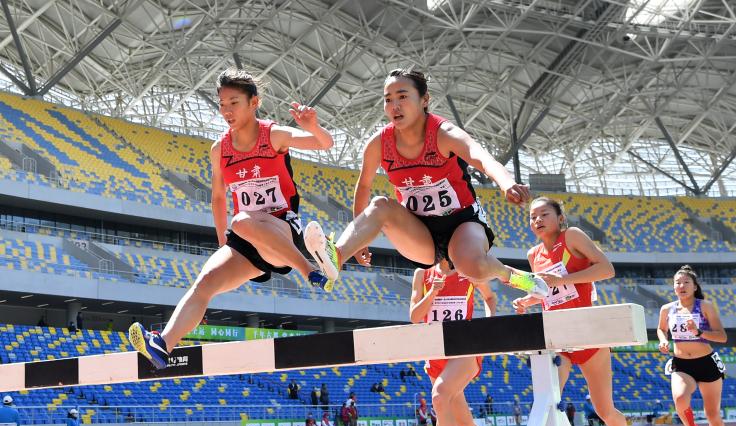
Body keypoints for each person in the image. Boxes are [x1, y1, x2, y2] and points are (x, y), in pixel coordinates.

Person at [129, 68, 338, 369]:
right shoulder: (219, 150)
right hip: (246, 240)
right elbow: (217, 198)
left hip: (282, 231)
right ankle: (164, 345)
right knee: (205, 282)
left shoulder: (273, 135)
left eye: (234, 103)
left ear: (254, 102)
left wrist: (313, 126)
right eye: (222, 104)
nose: (226, 111)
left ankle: (310, 270)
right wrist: (221, 246)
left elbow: (325, 144)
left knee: (240, 220)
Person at [302, 67, 549, 301]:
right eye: (388, 99)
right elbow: (364, 186)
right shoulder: (379, 143)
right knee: (380, 205)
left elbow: (481, 156)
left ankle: (513, 276)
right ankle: (336, 257)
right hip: (419, 231)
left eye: (402, 97)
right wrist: (360, 240)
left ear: (424, 100)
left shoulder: (444, 134)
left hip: (461, 221)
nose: (394, 106)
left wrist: (506, 183)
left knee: (471, 266)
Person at [513, 197, 642, 426]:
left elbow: (606, 269)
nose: (537, 220)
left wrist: (562, 281)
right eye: (532, 216)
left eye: (544, 214)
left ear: (560, 218)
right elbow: (546, 291)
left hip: (588, 334)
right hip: (558, 339)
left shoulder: (571, 237)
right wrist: (528, 299)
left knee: (604, 409)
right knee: (547, 401)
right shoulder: (534, 254)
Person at [410, 258, 505, 426]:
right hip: (436, 355)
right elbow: (414, 316)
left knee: (439, 396)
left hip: (465, 350)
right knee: (464, 423)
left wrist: (487, 324)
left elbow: (490, 297)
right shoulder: (422, 275)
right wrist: (432, 293)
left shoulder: (469, 270)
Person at [657, 265, 730, 426]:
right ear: (673, 287)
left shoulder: (705, 307)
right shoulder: (667, 309)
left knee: (712, 413)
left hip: (706, 363)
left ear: (695, 286)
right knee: (680, 399)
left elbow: (722, 336)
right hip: (681, 363)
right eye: (677, 283)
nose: (681, 286)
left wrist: (699, 332)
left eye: (686, 282)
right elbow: (661, 329)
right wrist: (663, 340)